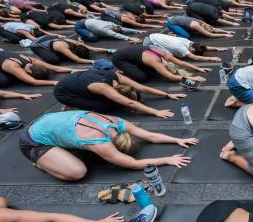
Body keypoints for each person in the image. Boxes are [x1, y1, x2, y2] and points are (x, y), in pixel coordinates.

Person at [19, 110, 198, 181]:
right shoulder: (98, 141)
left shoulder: (116, 122)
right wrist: (168, 159)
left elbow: (149, 136)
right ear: (112, 144)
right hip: (32, 140)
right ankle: (40, 161)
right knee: (77, 172)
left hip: (50, 120)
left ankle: (59, 148)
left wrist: (177, 140)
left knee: (87, 154)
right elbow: (133, 164)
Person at [54, 68, 186, 117]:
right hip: (64, 92)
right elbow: (130, 102)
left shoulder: (118, 77)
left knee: (109, 103)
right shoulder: (103, 88)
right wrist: (157, 112)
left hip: (79, 82)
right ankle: (70, 106)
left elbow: (141, 88)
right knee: (104, 107)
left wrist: (167, 94)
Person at [112, 45, 207, 85]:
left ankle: (133, 67)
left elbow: (181, 62)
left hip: (133, 54)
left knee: (153, 72)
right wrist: (193, 78)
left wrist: (198, 68)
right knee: (142, 78)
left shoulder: (165, 55)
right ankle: (122, 73)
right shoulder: (155, 61)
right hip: (119, 58)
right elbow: (171, 77)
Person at [0, 50, 73, 88]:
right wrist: (54, 82)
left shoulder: (33, 61)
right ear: (28, 72)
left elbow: (55, 68)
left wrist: (73, 70)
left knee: (14, 78)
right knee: (3, 81)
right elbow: (33, 82)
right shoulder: (13, 66)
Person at [143, 33, 224, 62]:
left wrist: (216, 48)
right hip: (149, 43)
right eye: (193, 52)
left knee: (173, 54)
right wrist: (211, 58)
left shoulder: (189, 42)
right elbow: (194, 58)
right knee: (169, 57)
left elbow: (201, 46)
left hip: (155, 36)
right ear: (192, 49)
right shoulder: (181, 46)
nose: (191, 53)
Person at [75, 18, 143, 43]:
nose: (117, 28)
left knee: (99, 33)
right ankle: (82, 37)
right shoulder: (107, 29)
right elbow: (117, 35)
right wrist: (130, 38)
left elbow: (123, 29)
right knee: (94, 38)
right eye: (116, 29)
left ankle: (89, 31)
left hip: (88, 22)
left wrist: (136, 31)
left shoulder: (112, 25)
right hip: (80, 26)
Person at [166, 15, 235, 38]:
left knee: (190, 31)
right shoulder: (197, 26)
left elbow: (214, 29)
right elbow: (209, 35)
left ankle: (176, 31)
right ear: (203, 28)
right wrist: (225, 35)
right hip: (171, 23)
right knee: (186, 36)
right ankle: (171, 35)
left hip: (177, 19)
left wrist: (226, 31)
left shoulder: (202, 23)